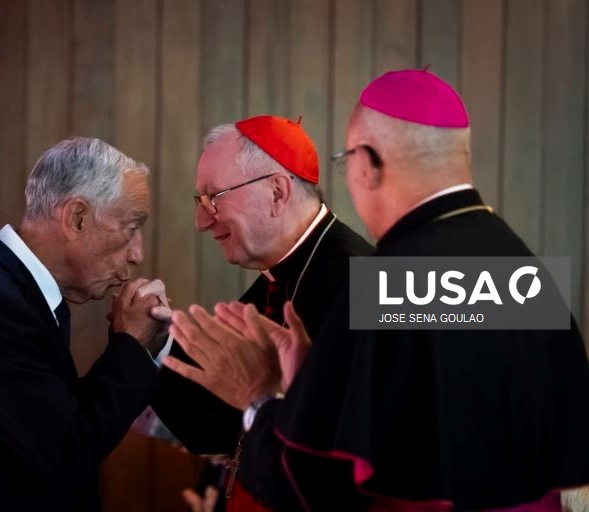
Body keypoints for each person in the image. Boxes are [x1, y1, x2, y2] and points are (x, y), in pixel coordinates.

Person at [164, 69, 589, 511]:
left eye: (346, 164)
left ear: (367, 164)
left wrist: (258, 400)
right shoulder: (526, 273)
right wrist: (316, 382)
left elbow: (317, 491)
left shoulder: (388, 285)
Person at [0, 137, 171, 511]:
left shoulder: (8, 289)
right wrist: (132, 346)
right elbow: (69, 448)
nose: (138, 253)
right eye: (131, 227)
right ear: (76, 217)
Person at [152, 115, 373, 510]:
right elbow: (214, 429)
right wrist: (153, 341)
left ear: (277, 191)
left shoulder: (362, 282)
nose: (202, 221)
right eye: (199, 201)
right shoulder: (278, 278)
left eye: (213, 198)